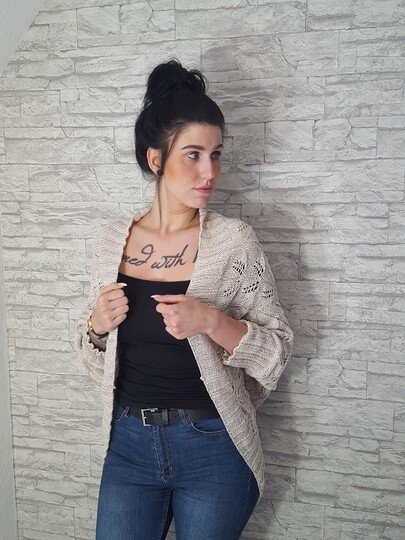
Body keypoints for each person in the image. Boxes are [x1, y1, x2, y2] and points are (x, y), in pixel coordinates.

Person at [74, 59, 294, 540]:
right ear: (156, 159)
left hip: (213, 445)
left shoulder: (234, 242)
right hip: (128, 444)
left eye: (216, 154)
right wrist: (96, 326)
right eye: (193, 154)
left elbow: (277, 351)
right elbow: (93, 358)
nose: (209, 171)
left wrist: (212, 321)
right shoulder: (111, 242)